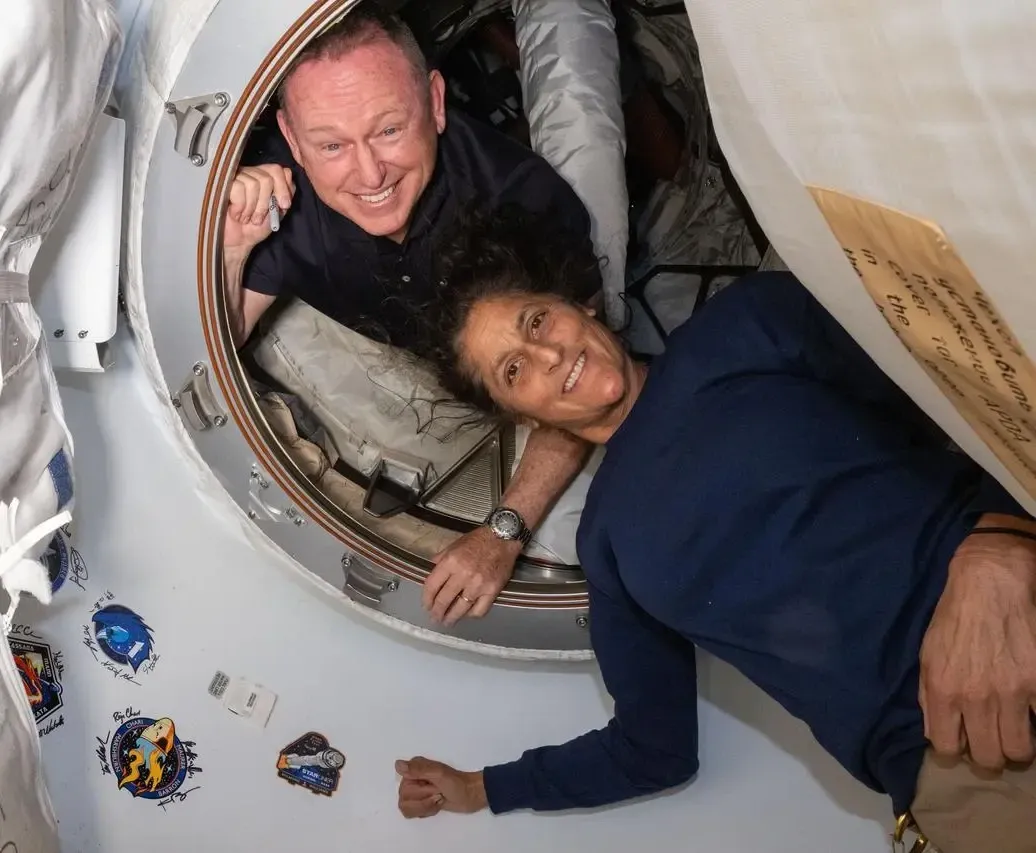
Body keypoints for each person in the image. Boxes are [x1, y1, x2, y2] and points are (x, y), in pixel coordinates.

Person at [393, 209, 1036, 853]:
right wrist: (482, 789)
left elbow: (977, 390)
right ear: (519, 415)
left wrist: (1001, 545)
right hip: (960, 766)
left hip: (1015, 607)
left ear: (579, 305)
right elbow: (652, 749)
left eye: (538, 321)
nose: (549, 354)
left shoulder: (746, 324)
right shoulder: (608, 546)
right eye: (513, 370)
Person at [221, 8, 598, 623]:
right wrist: (235, 245)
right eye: (332, 145)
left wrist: (503, 532)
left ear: (436, 103)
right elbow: (223, 335)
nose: (369, 174)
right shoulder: (280, 197)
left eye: (390, 130)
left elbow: (587, 382)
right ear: (292, 140)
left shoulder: (522, 201)